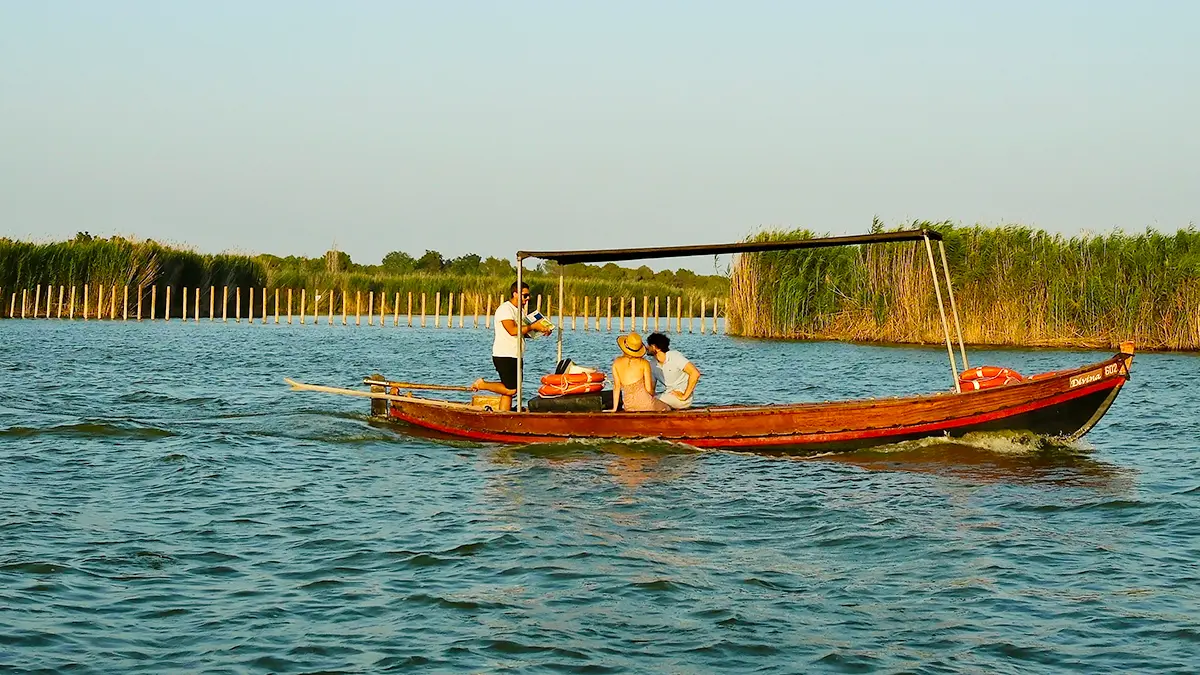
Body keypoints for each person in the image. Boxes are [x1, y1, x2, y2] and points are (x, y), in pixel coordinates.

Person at [472, 281, 552, 409]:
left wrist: (541, 331)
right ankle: (482, 384)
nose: (527, 298)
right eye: (524, 295)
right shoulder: (506, 309)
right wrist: (533, 326)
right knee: (511, 390)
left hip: (516, 354)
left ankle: (503, 414)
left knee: (508, 391)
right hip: (504, 354)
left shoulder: (519, 311)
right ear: (515, 294)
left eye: (528, 296)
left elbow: (522, 332)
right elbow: (513, 330)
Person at [610, 332, 670, 412]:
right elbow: (649, 390)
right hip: (647, 404)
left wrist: (614, 409)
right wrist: (657, 395)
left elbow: (616, 387)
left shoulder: (616, 362)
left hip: (629, 406)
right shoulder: (644, 363)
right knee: (667, 408)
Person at [646, 332, 701, 409]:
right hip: (668, 395)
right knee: (647, 400)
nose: (646, 347)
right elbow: (651, 389)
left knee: (650, 401)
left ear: (656, 348)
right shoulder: (652, 364)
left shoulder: (674, 356)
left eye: (649, 345)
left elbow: (695, 373)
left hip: (682, 398)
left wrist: (685, 396)